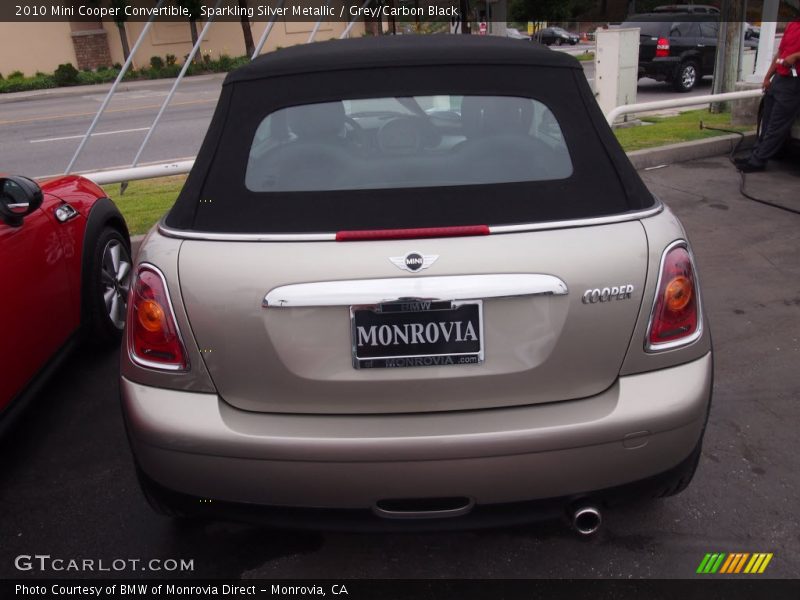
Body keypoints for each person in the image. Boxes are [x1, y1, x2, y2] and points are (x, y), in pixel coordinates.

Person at [735, 19, 800, 173]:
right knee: (767, 122)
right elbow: (780, 52)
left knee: (776, 126)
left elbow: (792, 55)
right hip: (779, 78)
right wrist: (767, 76)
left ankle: (758, 161)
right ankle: (755, 155)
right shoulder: (792, 25)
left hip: (794, 82)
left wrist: (797, 56)